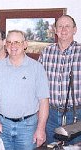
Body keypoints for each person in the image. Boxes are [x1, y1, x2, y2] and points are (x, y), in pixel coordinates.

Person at [0, 30, 50, 150]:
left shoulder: (37, 68)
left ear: (25, 45)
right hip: (2, 125)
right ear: (5, 45)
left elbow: (44, 101)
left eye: (17, 42)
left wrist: (41, 129)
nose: (13, 46)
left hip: (28, 127)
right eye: (9, 42)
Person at [38, 15, 81, 144]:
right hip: (50, 114)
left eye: (67, 26)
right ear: (55, 30)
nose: (63, 29)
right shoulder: (46, 52)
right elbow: (37, 83)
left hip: (76, 115)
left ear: (75, 30)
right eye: (60, 26)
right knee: (51, 147)